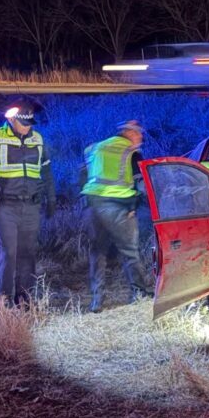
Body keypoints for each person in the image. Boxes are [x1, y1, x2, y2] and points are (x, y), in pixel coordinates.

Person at [0, 98, 56, 307]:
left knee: (28, 254)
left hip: (31, 206)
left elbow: (47, 172)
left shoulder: (38, 139)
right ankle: (4, 303)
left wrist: (51, 198)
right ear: (12, 119)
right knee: (9, 253)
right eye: (24, 124)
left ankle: (24, 301)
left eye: (30, 124)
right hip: (5, 206)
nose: (27, 129)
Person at [80, 120, 153, 313]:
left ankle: (97, 300)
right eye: (138, 134)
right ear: (128, 133)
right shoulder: (131, 153)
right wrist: (137, 205)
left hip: (93, 207)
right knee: (130, 252)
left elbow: (82, 174)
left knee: (98, 253)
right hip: (119, 207)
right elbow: (141, 185)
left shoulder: (97, 148)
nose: (140, 138)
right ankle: (140, 294)